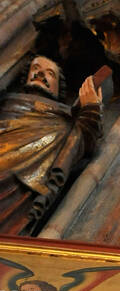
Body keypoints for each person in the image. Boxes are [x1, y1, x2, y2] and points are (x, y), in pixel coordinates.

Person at [0, 55, 102, 234]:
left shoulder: (63, 120)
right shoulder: (6, 102)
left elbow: (81, 142)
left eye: (49, 74)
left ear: (58, 89)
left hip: (20, 185)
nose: (40, 74)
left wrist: (91, 110)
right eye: (36, 69)